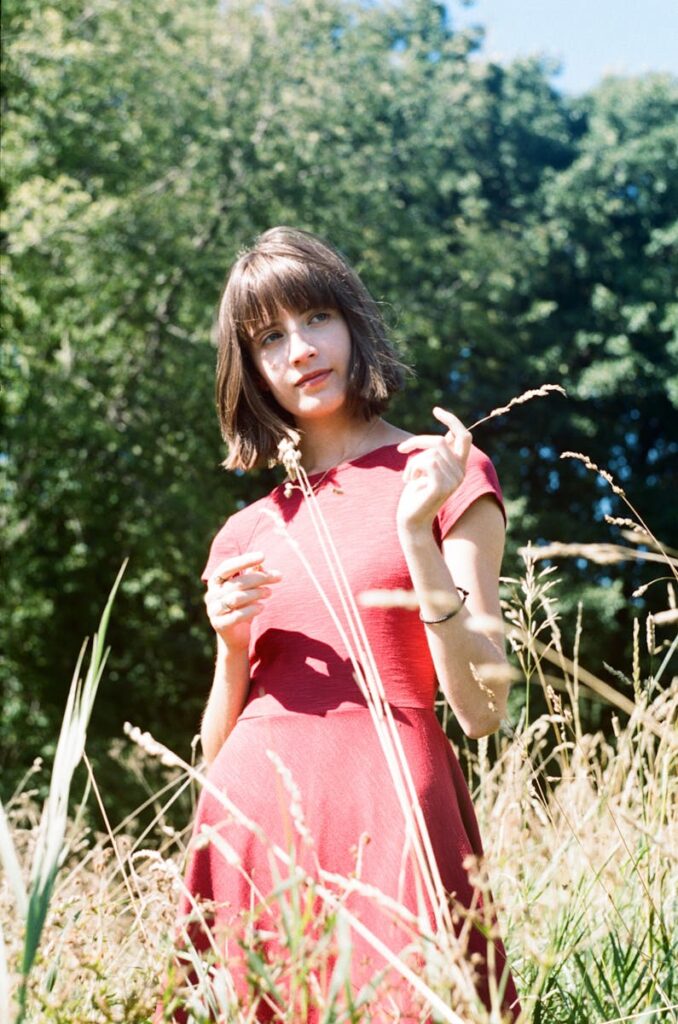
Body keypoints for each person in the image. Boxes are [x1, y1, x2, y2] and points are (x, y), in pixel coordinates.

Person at [171, 226, 521, 1022]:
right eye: (269, 338)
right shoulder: (245, 531)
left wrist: (414, 537)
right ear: (250, 370)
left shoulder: (446, 471)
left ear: (354, 321)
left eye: (315, 318)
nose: (299, 350)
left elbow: (483, 710)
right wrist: (230, 649)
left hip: (393, 812)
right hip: (249, 830)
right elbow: (213, 756)